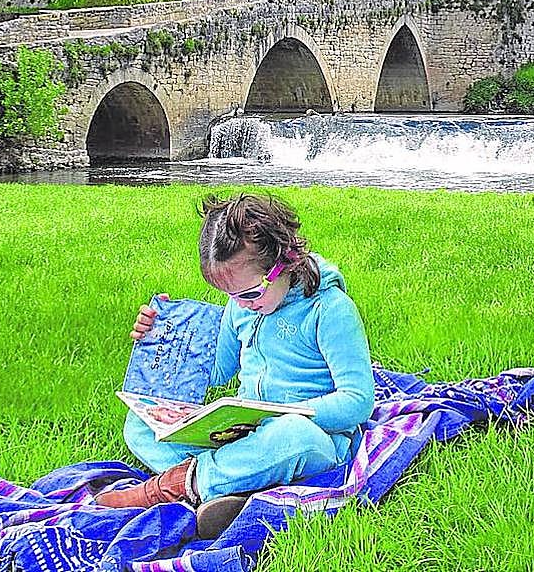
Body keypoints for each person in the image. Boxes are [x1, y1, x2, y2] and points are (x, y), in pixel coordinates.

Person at [96, 194, 375, 535]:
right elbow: (214, 372)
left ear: (284, 262)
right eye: (231, 296)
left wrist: (285, 413)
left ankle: (173, 487)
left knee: (292, 437)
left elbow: (358, 401)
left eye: (250, 294)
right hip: (245, 436)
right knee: (139, 426)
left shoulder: (329, 310)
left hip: (315, 440)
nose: (242, 305)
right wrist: (161, 337)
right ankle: (231, 486)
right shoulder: (240, 307)